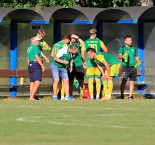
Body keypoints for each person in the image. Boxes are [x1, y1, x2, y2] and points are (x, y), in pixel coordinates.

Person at [82, 28, 108, 100]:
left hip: (89, 63)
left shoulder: (85, 42)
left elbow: (82, 53)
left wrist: (84, 62)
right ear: (95, 34)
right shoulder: (99, 41)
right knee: (97, 80)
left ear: (89, 34)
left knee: (90, 80)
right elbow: (106, 50)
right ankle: (97, 95)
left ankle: (91, 96)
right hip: (98, 62)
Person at [118, 35, 142, 99]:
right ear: (125, 41)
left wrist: (139, 61)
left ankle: (130, 96)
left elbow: (136, 56)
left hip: (133, 67)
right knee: (124, 81)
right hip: (125, 67)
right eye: (129, 40)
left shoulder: (133, 48)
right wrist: (123, 56)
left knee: (132, 82)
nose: (130, 41)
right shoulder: (122, 48)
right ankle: (122, 95)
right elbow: (119, 56)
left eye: (131, 40)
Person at [27, 29, 46, 100]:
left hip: (31, 65)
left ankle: (31, 96)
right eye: (38, 41)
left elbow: (29, 57)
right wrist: (42, 66)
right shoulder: (35, 47)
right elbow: (37, 57)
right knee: (37, 82)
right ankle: (32, 97)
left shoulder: (30, 47)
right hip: (35, 65)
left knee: (32, 82)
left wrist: (44, 57)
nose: (39, 42)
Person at [50, 35, 71, 100]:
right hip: (60, 63)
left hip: (55, 63)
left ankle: (55, 96)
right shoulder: (64, 46)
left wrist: (56, 57)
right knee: (62, 80)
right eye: (68, 41)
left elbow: (51, 54)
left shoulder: (55, 44)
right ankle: (66, 96)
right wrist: (62, 60)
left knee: (56, 80)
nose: (68, 43)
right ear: (66, 39)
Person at [68, 33, 85, 98]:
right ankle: (70, 95)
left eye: (74, 38)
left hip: (79, 64)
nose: (72, 39)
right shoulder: (68, 44)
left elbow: (83, 44)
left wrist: (77, 38)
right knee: (70, 81)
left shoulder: (78, 44)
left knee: (81, 80)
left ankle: (83, 94)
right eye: (71, 38)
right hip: (70, 65)